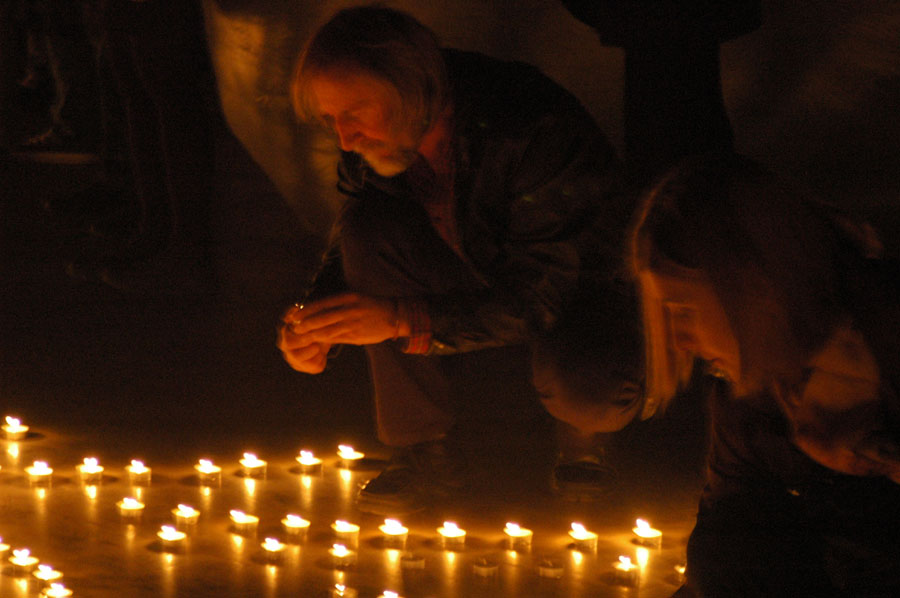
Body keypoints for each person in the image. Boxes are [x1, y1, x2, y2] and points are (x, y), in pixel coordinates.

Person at [277, 5, 641, 513]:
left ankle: (584, 436)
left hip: (578, 293)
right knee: (368, 226)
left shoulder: (529, 129)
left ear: (407, 88)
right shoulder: (382, 132)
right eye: (329, 120)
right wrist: (320, 319)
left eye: (354, 114)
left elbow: (543, 296)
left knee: (590, 388)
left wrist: (402, 318)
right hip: (476, 266)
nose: (344, 138)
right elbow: (360, 228)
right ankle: (423, 448)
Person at [630, 153, 900, 597]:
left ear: (756, 285)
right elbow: (725, 535)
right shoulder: (746, 399)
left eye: (684, 311)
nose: (679, 342)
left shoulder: (886, 336)